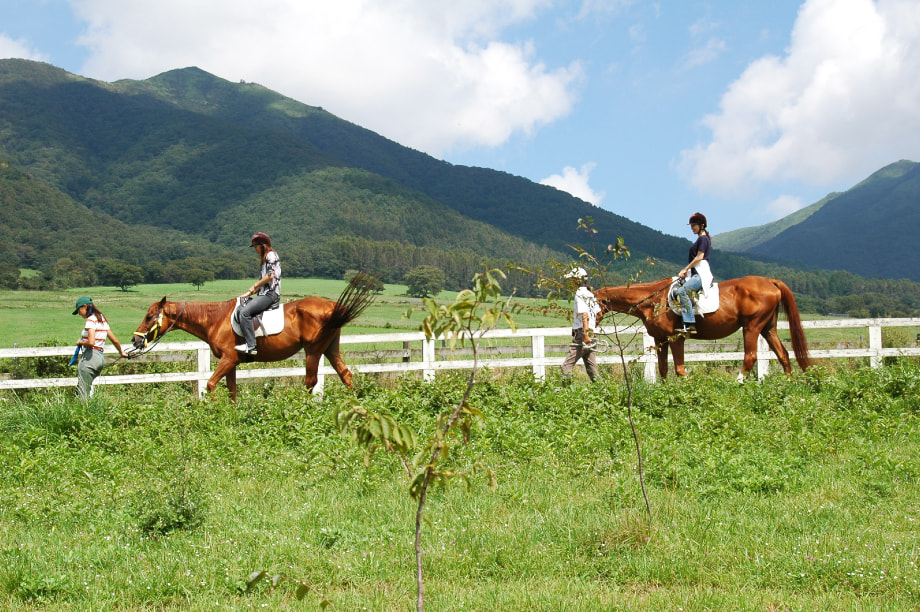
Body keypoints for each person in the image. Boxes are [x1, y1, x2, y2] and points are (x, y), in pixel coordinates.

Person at [72, 296, 128, 399]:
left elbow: (91, 342)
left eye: (79, 310)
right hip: (99, 359)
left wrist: (81, 341)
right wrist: (121, 352)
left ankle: (83, 412)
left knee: (83, 392)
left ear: (84, 306)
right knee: (87, 388)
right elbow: (114, 340)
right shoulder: (101, 319)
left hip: (90, 357)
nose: (79, 313)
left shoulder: (91, 320)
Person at [234, 232, 281, 355]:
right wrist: (249, 293)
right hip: (263, 293)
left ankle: (251, 346)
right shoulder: (264, 260)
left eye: (256, 246)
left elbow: (270, 276)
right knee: (240, 308)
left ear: (262, 245)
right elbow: (262, 283)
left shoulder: (271, 255)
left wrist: (254, 286)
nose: (255, 249)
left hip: (271, 294)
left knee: (245, 313)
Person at [675, 212, 713, 335]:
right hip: (696, 272)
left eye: (694, 225)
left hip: (701, 273)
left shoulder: (703, 239)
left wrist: (685, 269)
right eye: (691, 226)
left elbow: (699, 257)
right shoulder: (702, 239)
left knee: (682, 291)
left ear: (702, 225)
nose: (692, 228)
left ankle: (690, 324)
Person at [561, 267, 600, 382]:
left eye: (572, 279)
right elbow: (599, 313)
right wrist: (592, 330)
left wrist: (586, 334)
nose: (570, 282)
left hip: (583, 333)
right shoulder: (590, 294)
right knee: (591, 368)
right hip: (591, 333)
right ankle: (603, 390)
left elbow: (584, 314)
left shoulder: (579, 294)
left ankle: (565, 392)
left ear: (577, 280)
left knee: (566, 366)